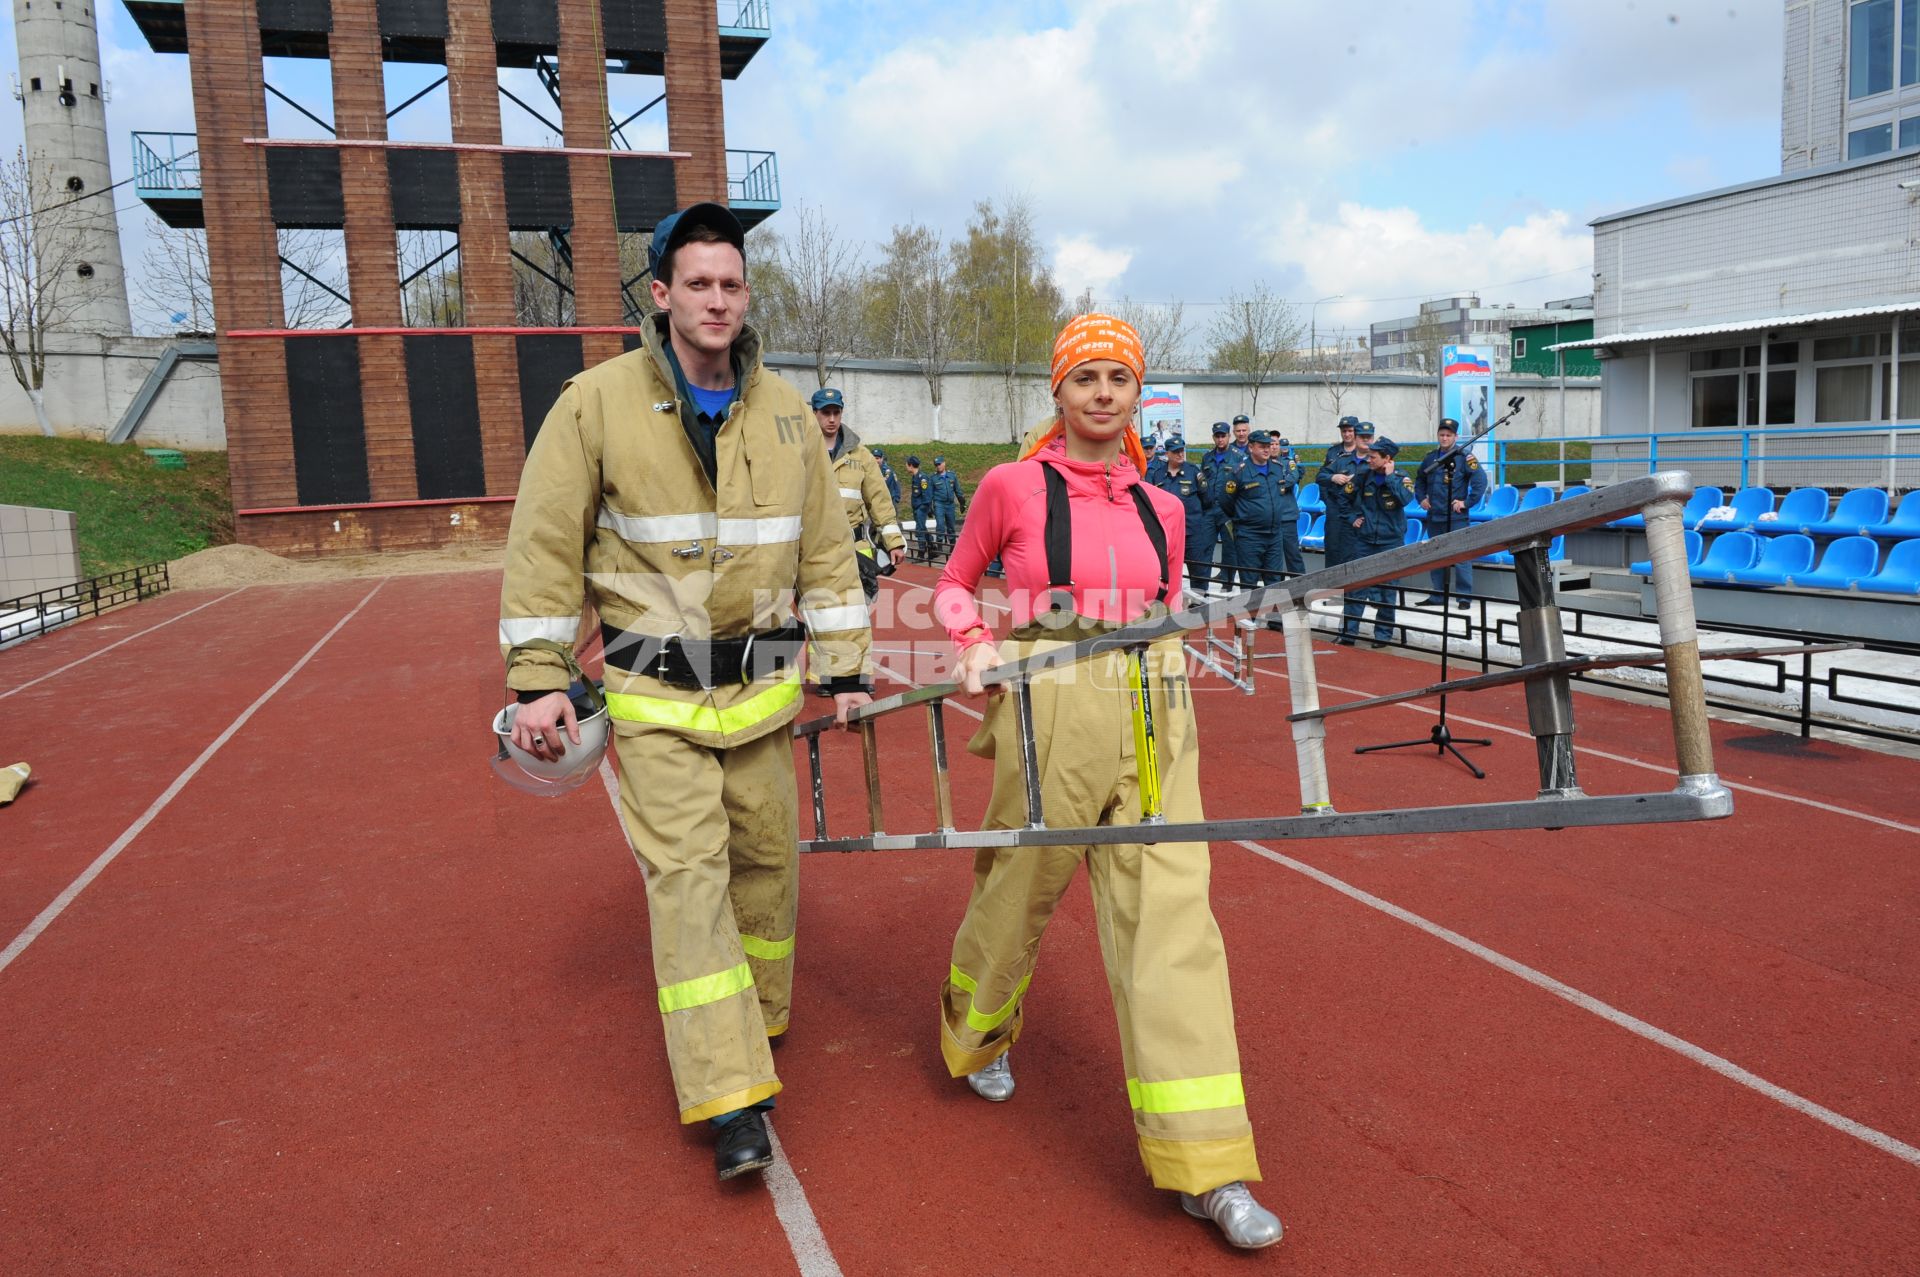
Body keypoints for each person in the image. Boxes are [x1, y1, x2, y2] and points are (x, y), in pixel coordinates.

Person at [499, 202, 873, 1183]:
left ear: (747, 297)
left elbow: (827, 546)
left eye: (731, 283)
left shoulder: (789, 411)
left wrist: (843, 656)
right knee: (690, 884)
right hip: (655, 700)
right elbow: (544, 541)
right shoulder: (594, 402)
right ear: (660, 294)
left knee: (766, 871)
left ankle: (762, 1017)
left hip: (762, 696)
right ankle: (730, 1095)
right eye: (697, 283)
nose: (716, 299)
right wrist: (539, 678)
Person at [933, 313, 1281, 1251]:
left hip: (1156, 707)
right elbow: (956, 584)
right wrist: (972, 643)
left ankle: (1207, 1164)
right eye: (1084, 376)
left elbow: (1169, 609)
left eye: (1117, 379)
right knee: (1019, 890)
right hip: (1052, 701)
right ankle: (978, 1032)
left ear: (1135, 395)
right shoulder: (1011, 486)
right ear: (1058, 390)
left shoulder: (1163, 507)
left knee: (1175, 920)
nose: (1100, 393)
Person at [812, 387, 905, 692]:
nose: (831, 419)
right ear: (815, 414)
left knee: (857, 615)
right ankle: (827, 677)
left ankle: (858, 675)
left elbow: (879, 500)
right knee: (822, 612)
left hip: (854, 547)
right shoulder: (800, 451)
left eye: (836, 412)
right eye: (825, 412)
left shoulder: (860, 455)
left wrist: (893, 541)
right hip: (816, 547)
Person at [1337, 435, 1415, 647]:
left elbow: (1405, 500)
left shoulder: (1401, 477)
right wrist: (1353, 518)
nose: (1368, 459)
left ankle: (1382, 635)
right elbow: (1343, 497)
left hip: (1391, 541)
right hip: (1365, 540)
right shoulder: (1363, 475)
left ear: (1386, 458)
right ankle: (1348, 634)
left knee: (1387, 590)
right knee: (1356, 587)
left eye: (1373, 456)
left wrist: (1389, 478)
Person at [1414, 417, 1487, 607]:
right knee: (1435, 557)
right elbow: (1420, 480)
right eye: (1441, 435)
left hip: (1456, 517)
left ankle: (1463, 597)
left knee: (1461, 557)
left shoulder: (1464, 457)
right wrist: (1421, 498)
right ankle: (1438, 595)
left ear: (1455, 436)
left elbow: (1480, 482)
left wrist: (1466, 502)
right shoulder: (1431, 458)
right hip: (1435, 515)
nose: (1444, 438)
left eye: (1448, 435)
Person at [1223, 430, 1304, 594]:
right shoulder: (1239, 472)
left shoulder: (1277, 468)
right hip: (1249, 536)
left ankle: (1273, 620)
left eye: (1269, 446)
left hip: (1274, 534)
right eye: (1262, 446)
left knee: (1274, 582)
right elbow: (1226, 501)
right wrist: (1245, 518)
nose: (1267, 449)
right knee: (1249, 582)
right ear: (1251, 447)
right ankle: (1249, 620)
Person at [1151, 434, 1210, 574]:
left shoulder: (1194, 472)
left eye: (1182, 450)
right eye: (1176, 451)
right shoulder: (1158, 474)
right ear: (1167, 454)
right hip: (1168, 533)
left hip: (1192, 532)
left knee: (1198, 573)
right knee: (1168, 573)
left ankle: (1200, 595)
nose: (1180, 454)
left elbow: (1207, 499)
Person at [1315, 416, 1366, 568]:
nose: (1347, 434)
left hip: (1356, 508)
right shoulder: (1333, 452)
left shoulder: (1364, 452)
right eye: (1344, 431)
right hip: (1335, 508)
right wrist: (1333, 477)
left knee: (1356, 551)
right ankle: (1333, 589)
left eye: (1350, 431)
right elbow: (1321, 477)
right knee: (1333, 548)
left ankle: (1355, 590)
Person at [1198, 421, 1238, 594]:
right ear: (1213, 437)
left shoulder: (1237, 457)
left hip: (1228, 511)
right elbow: (1202, 482)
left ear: (1229, 436)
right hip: (1209, 510)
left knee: (1230, 548)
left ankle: (1227, 584)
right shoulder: (1207, 457)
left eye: (1223, 436)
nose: (1220, 439)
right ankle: (1202, 585)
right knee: (1205, 547)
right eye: (1217, 436)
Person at [930, 454, 967, 545]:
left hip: (950, 505)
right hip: (939, 505)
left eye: (939, 464)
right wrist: (929, 507)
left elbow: (957, 490)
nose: (938, 466)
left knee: (951, 526)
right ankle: (939, 544)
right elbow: (930, 494)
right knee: (940, 526)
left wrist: (962, 503)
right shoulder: (933, 478)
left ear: (944, 463)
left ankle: (952, 544)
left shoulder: (952, 476)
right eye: (936, 465)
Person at [905, 454, 934, 562]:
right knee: (923, 528)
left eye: (907, 465)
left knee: (920, 530)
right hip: (917, 507)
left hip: (921, 508)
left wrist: (923, 508)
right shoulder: (915, 477)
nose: (906, 467)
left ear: (911, 465)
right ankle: (932, 548)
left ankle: (921, 553)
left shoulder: (922, 478)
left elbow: (927, 495)